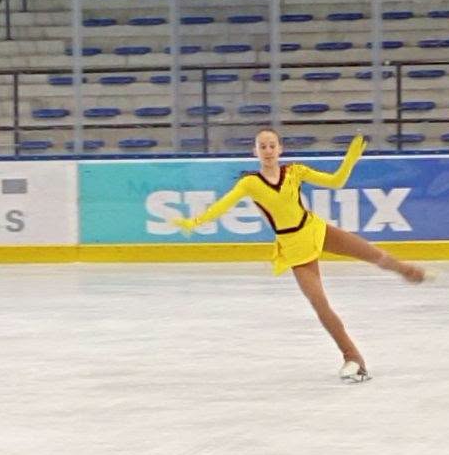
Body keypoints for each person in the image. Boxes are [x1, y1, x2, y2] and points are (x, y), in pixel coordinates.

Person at [172, 130, 428, 381]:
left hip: (315, 230)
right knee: (320, 305)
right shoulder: (250, 183)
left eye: (272, 145)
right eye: (263, 146)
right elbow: (222, 206)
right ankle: (352, 357)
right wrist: (193, 222)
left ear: (280, 149)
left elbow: (336, 182)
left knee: (372, 254)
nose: (268, 151)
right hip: (294, 247)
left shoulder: (295, 171)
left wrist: (350, 160)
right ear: (255, 151)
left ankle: (406, 270)